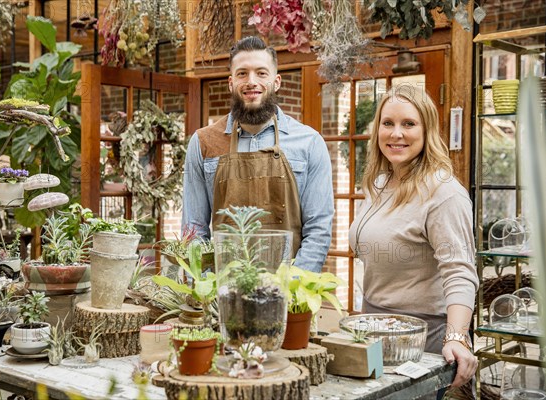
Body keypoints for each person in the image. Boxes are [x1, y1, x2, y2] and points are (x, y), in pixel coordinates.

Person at [349, 85, 478, 389]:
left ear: (427, 130)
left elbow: (460, 272)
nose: (396, 134)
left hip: (424, 342)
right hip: (374, 332)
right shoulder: (379, 184)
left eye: (408, 124)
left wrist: (457, 338)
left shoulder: (443, 193)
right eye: (388, 123)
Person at [182, 36, 334, 272]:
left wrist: (292, 291)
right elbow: (194, 228)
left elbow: (318, 230)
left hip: (288, 294)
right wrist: (209, 290)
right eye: (242, 73)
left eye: (261, 73)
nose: (251, 81)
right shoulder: (203, 142)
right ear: (231, 83)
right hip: (222, 293)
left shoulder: (309, 143)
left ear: (277, 81)